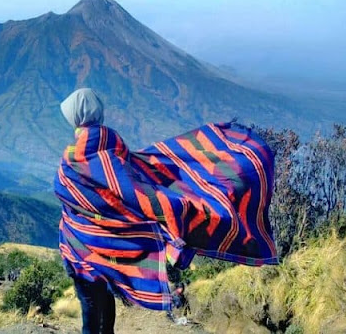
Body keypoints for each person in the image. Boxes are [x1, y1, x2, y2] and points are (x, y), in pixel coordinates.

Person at [54, 88, 278, 334]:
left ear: (74, 118)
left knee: (89, 304)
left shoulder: (73, 158)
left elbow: (67, 190)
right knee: (105, 301)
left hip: (80, 245)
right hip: (113, 248)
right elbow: (135, 186)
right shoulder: (116, 150)